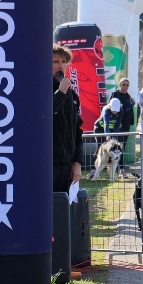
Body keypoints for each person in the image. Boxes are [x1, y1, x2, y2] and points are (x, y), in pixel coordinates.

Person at [52, 44, 83, 193]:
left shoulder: (72, 94)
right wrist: (60, 93)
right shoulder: (39, 89)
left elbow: (77, 130)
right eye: (55, 61)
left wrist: (77, 162)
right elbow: (41, 118)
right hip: (47, 163)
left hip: (67, 164)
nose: (61, 66)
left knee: (63, 205)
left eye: (64, 62)